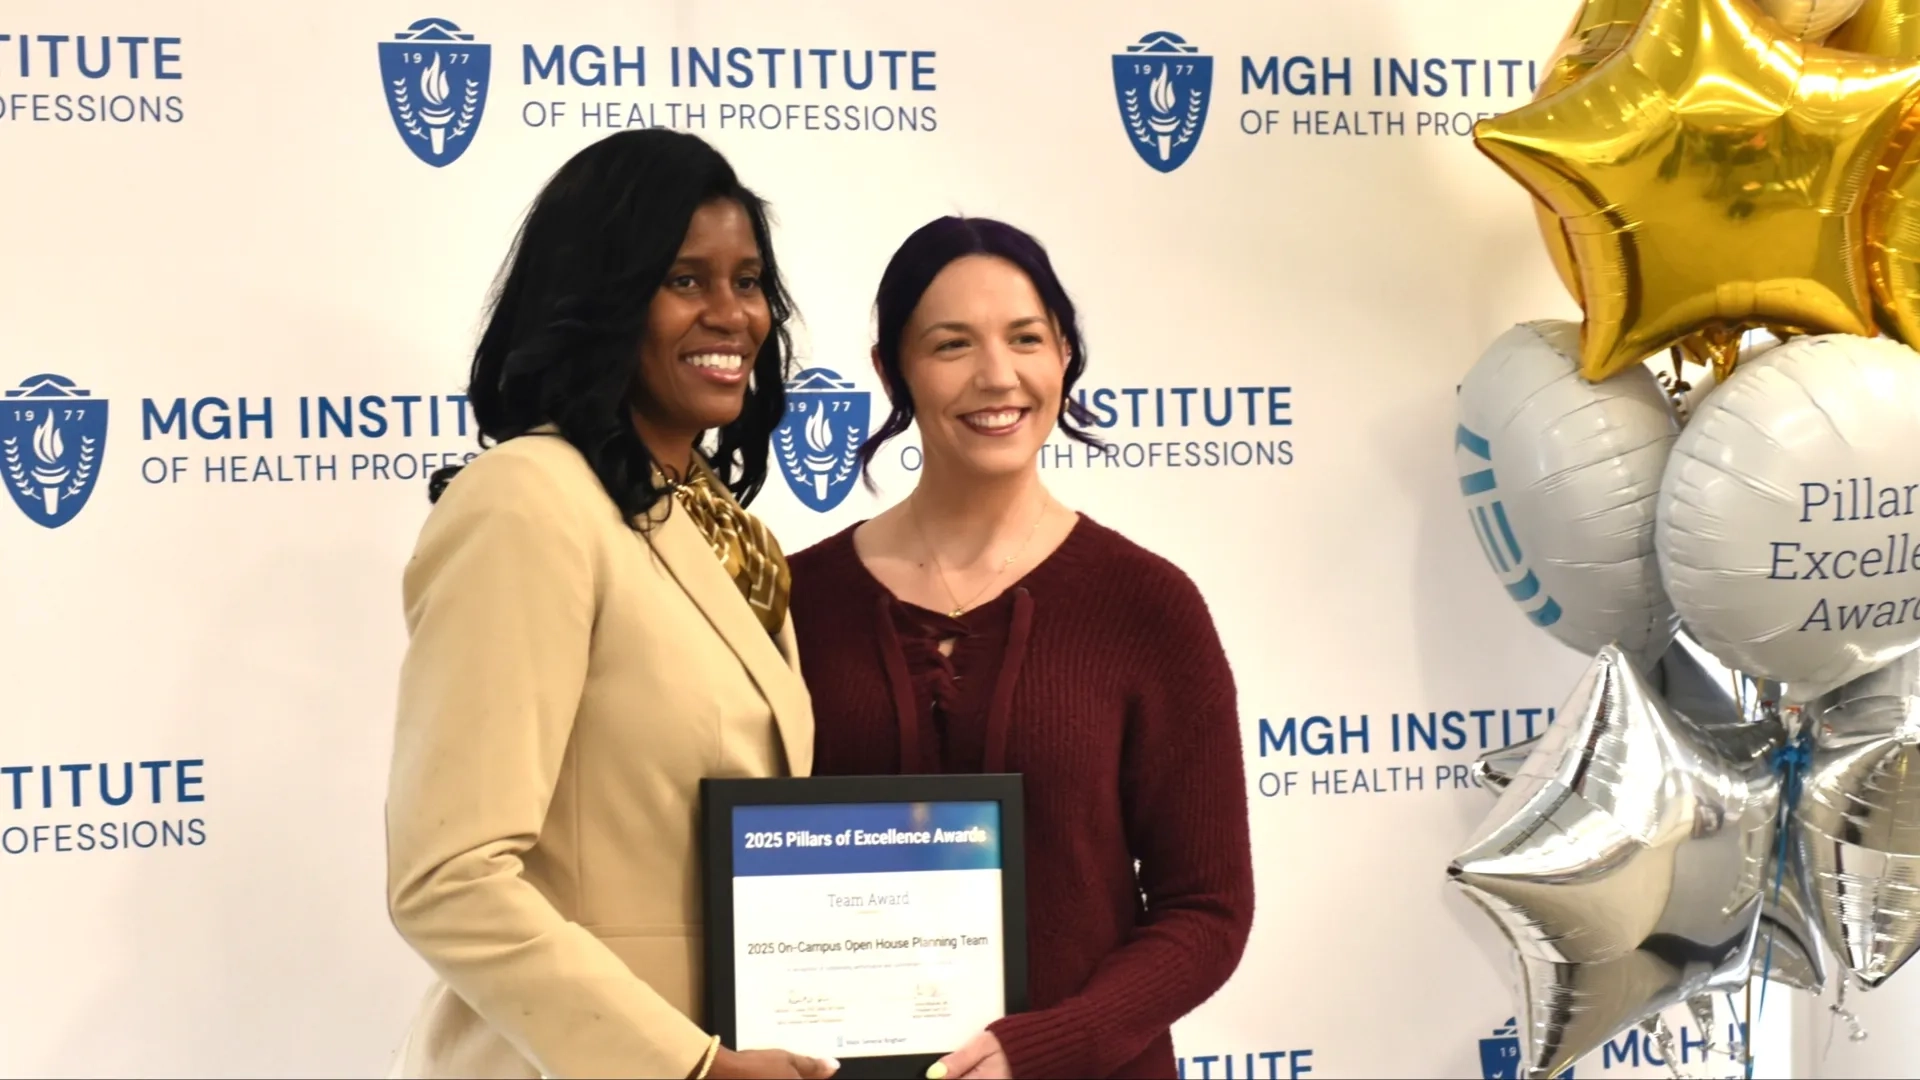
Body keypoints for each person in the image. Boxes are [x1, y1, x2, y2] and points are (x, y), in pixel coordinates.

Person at [384, 129, 836, 1080]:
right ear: (601, 297)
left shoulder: (734, 537)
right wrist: (688, 1065)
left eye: (747, 281)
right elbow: (447, 879)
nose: (731, 315)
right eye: (685, 280)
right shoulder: (528, 500)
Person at [786, 216, 1255, 1080]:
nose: (996, 376)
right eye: (952, 344)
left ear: (1065, 355)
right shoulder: (795, 601)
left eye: (1026, 338)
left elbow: (1208, 910)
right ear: (894, 370)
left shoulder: (1149, 606)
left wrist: (1048, 1048)